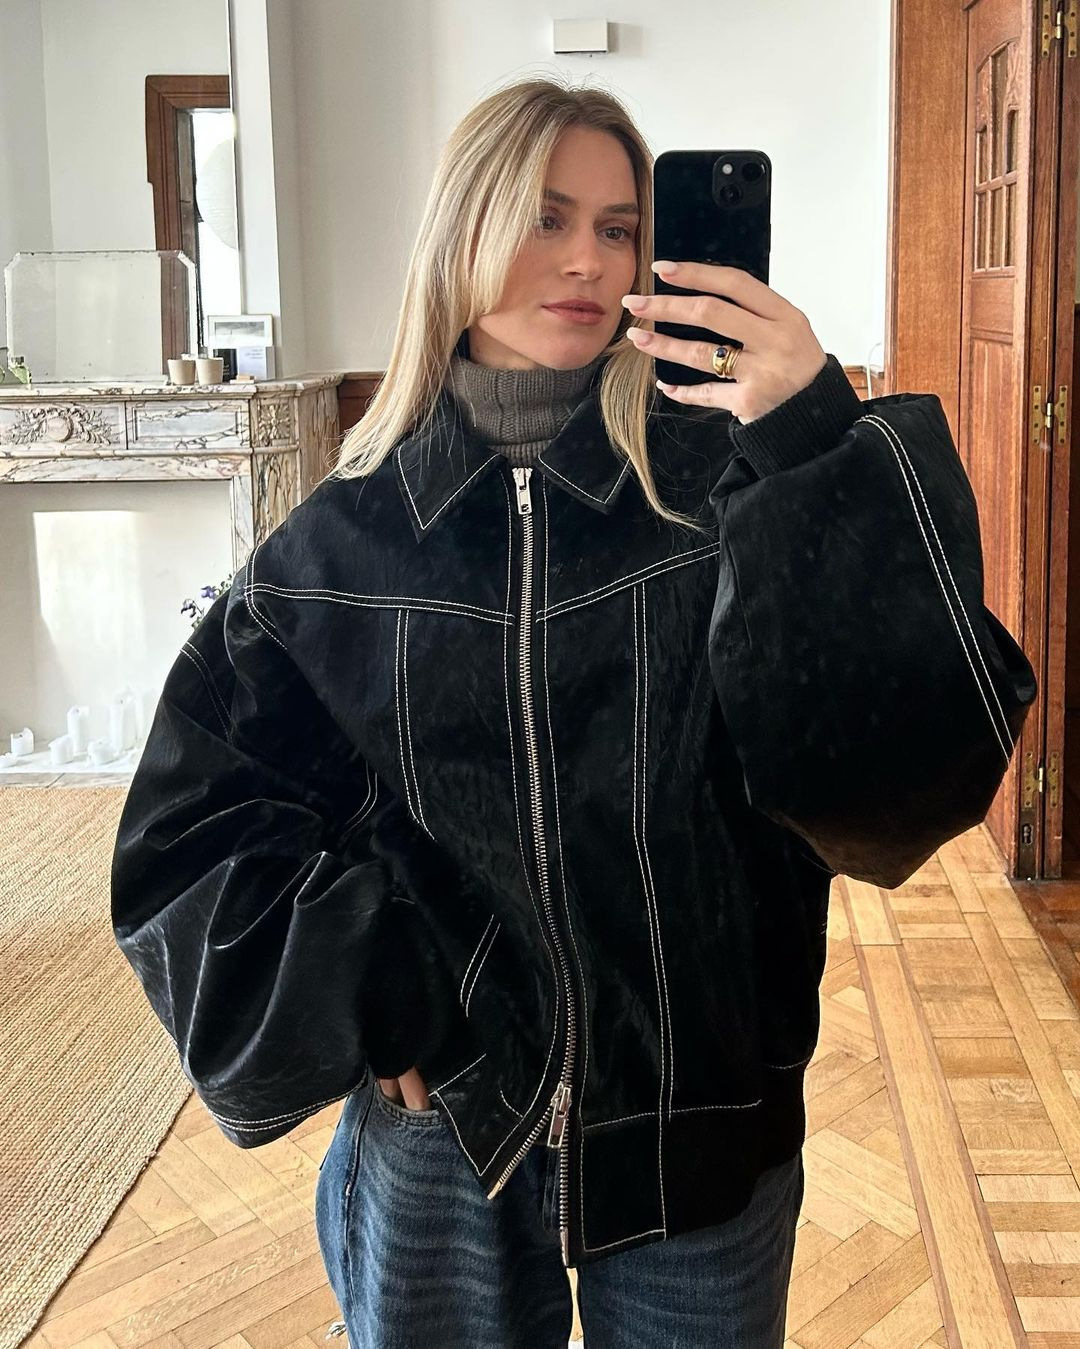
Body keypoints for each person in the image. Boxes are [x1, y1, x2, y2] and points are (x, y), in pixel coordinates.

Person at [111, 75, 1037, 1347]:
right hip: (444, 1133)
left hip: (698, 1122)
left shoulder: (728, 490)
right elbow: (193, 836)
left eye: (619, 228)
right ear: (464, 228)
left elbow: (904, 772)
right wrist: (376, 985)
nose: (588, 260)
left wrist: (814, 442)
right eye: (545, 216)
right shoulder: (339, 544)